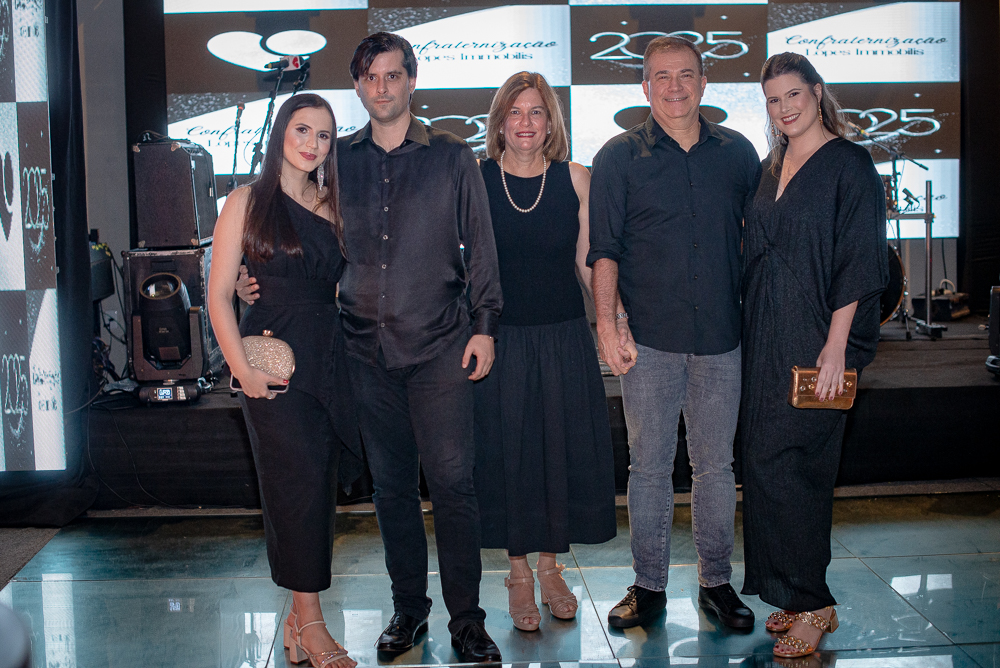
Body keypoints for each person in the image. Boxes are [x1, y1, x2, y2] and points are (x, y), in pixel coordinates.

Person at [587, 36, 761, 630]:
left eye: (685, 74)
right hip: (649, 341)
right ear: (645, 86)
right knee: (648, 469)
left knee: (716, 468)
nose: (674, 87)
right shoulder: (617, 157)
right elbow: (604, 252)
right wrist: (607, 326)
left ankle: (717, 583)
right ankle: (649, 586)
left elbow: (759, 242)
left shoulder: (739, 154)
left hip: (722, 338)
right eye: (661, 76)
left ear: (704, 82)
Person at [740, 52, 887, 659]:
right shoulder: (771, 165)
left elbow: (860, 258)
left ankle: (814, 603)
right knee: (763, 464)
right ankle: (787, 591)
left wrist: (836, 346)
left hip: (817, 337)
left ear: (817, 93)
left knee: (800, 467)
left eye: (793, 95)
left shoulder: (850, 165)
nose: (784, 109)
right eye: (773, 100)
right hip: (764, 334)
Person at [208, 93, 361, 668]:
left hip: (328, 358)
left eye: (324, 136)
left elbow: (344, 286)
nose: (312, 144)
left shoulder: (334, 205)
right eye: (302, 130)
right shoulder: (245, 202)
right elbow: (218, 297)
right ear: (280, 134)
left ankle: (298, 623)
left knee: (316, 488)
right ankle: (313, 623)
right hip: (271, 364)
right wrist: (242, 371)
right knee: (293, 488)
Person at [473, 71, 618, 633]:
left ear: (551, 121)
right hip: (500, 341)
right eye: (515, 111)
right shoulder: (477, 178)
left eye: (536, 111)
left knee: (558, 454)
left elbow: (589, 261)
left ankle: (551, 568)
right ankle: (517, 574)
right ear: (499, 123)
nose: (526, 122)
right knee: (509, 457)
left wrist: (614, 322)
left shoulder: (575, 179)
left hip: (563, 340)